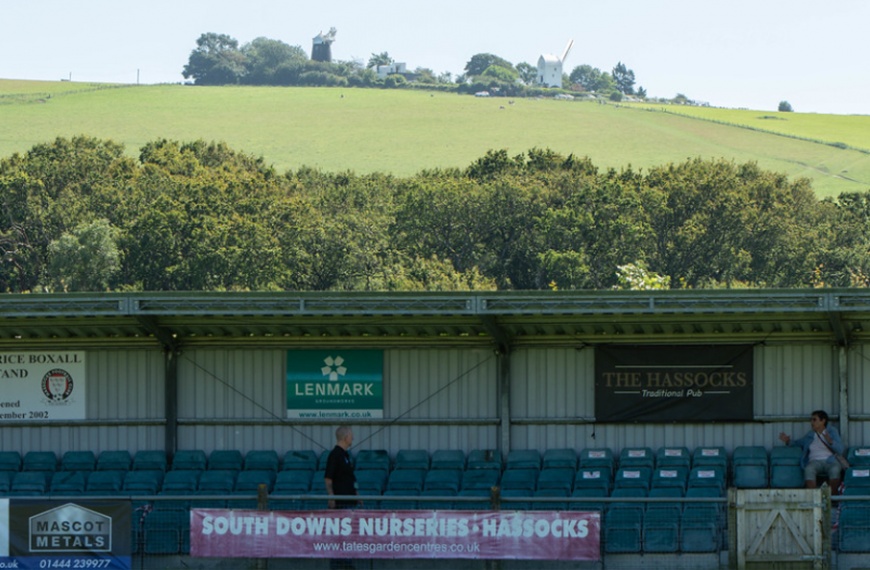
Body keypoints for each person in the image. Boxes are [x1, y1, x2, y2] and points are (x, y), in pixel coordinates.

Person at [778, 410, 844, 491]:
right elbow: (799, 443)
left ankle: (833, 499)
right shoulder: (810, 434)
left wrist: (830, 441)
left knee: (835, 469)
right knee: (809, 469)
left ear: (823, 421)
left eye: (814, 419)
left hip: (830, 460)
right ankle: (813, 497)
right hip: (814, 461)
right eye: (811, 420)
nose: (811, 422)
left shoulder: (832, 431)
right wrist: (788, 441)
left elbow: (840, 450)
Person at [324, 425, 359, 570]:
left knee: (348, 536)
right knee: (339, 536)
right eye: (351, 435)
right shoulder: (335, 455)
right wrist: (332, 497)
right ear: (345, 437)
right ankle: (338, 565)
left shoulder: (346, 455)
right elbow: (328, 478)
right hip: (341, 503)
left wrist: (357, 494)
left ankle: (346, 564)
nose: (353, 438)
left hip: (349, 501)